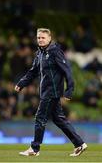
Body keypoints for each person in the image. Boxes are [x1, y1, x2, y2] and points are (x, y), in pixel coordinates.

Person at [15, 28, 87, 157]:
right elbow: (33, 71)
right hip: (46, 91)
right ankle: (79, 144)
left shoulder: (55, 52)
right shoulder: (40, 53)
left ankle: (34, 148)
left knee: (40, 118)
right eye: (38, 38)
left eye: (43, 37)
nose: (40, 40)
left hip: (51, 92)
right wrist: (22, 83)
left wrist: (69, 90)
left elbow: (67, 71)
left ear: (49, 38)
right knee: (59, 119)